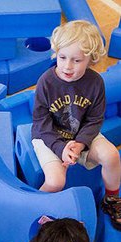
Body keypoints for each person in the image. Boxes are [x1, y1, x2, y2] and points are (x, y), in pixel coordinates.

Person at [31, 20, 121, 229]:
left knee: (112, 156)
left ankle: (111, 200)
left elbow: (95, 119)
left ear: (91, 60)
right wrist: (61, 148)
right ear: (56, 53)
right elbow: (41, 123)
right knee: (55, 181)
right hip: (49, 137)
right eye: (62, 57)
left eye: (77, 60)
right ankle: (32, 207)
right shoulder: (46, 81)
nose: (67, 66)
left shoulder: (95, 83)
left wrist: (80, 144)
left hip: (81, 134)